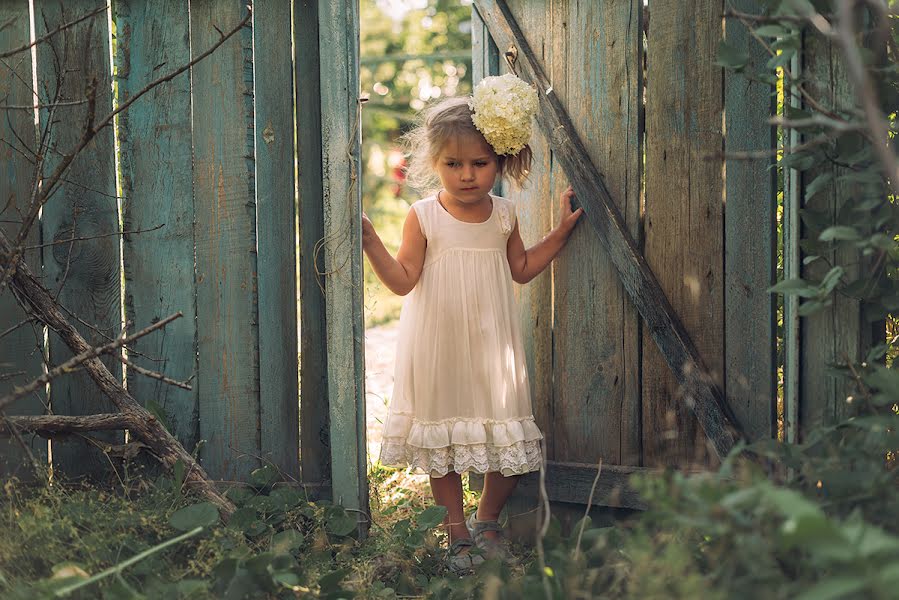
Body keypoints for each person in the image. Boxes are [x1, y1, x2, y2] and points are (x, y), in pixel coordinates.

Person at [361, 74, 583, 574]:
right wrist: (371, 241)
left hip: (493, 349)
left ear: (500, 161)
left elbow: (521, 269)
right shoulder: (424, 215)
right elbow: (402, 281)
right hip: (439, 347)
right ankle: (456, 533)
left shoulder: (503, 216)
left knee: (507, 443)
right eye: (453, 164)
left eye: (479, 164)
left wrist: (562, 232)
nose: (466, 175)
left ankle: (487, 521)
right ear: (434, 164)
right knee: (446, 444)